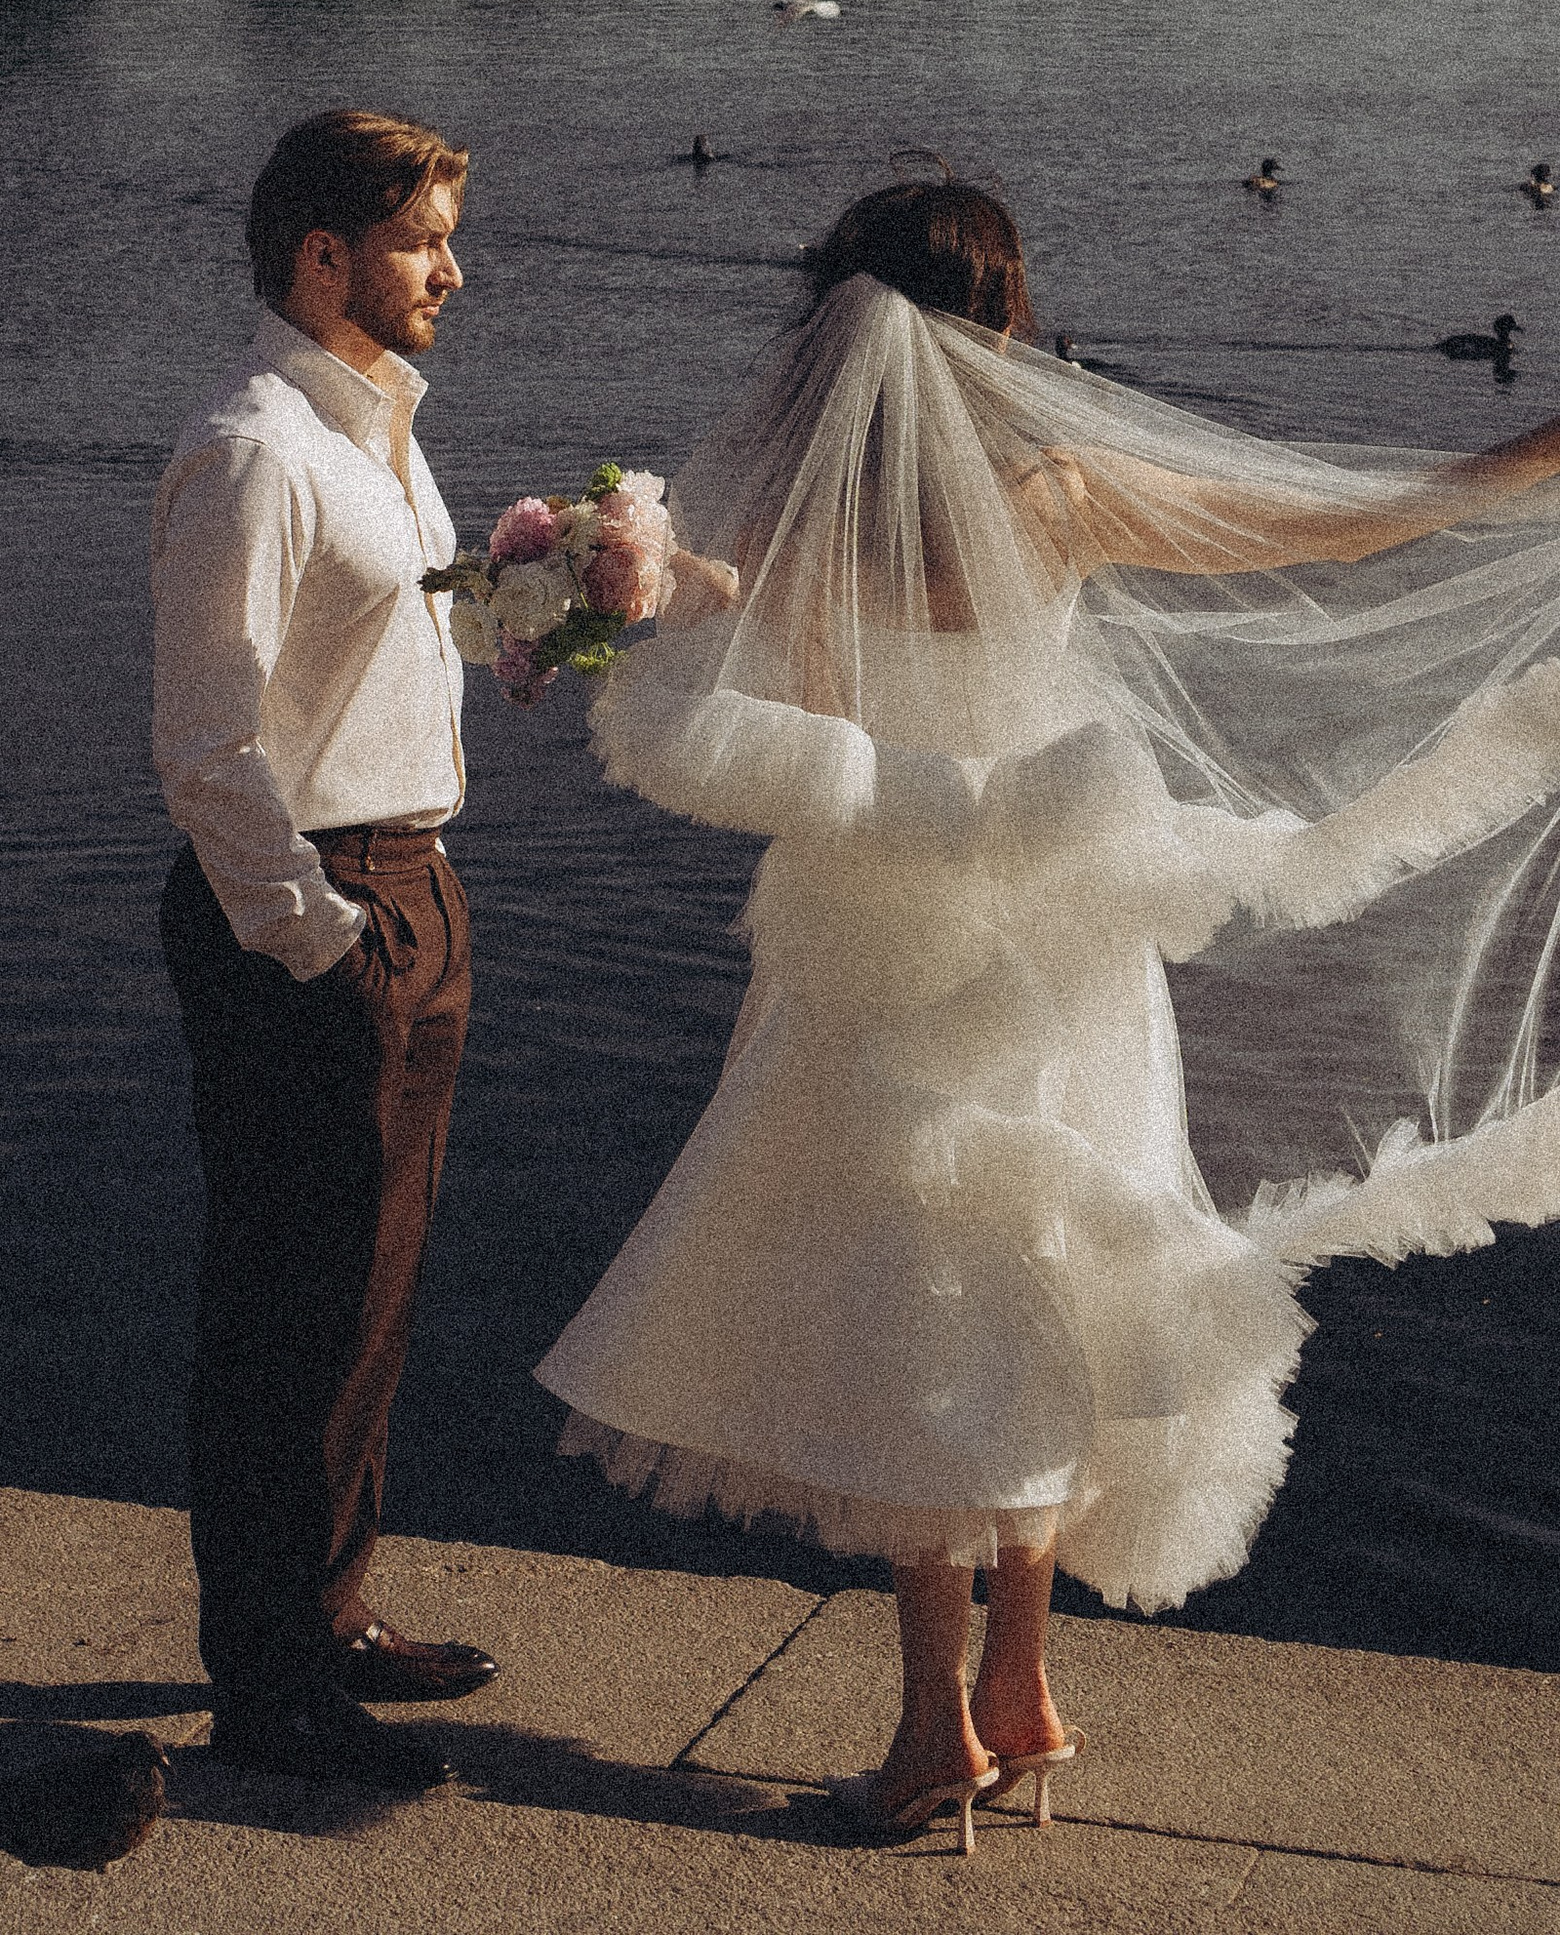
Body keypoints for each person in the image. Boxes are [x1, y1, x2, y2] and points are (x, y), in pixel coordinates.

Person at [538, 173, 1560, 1852]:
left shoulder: (802, 509)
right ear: (1001, 329)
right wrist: (1524, 463)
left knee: (918, 1307)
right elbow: (1341, 524)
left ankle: (939, 1725)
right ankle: (1015, 1688)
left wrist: (603, 570)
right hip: (1073, 941)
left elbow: (726, 663)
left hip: (877, 942)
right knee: (1058, 1280)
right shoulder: (1060, 492)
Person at [153, 107, 495, 1791]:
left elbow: (365, 660)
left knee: (371, 1293)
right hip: (315, 908)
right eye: (425, 238)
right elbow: (207, 752)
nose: (453, 268)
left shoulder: (377, 434)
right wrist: (324, 945)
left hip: (408, 881)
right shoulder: (256, 450)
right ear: (324, 258)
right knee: (286, 1308)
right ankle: (267, 1681)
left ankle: (333, 1614)